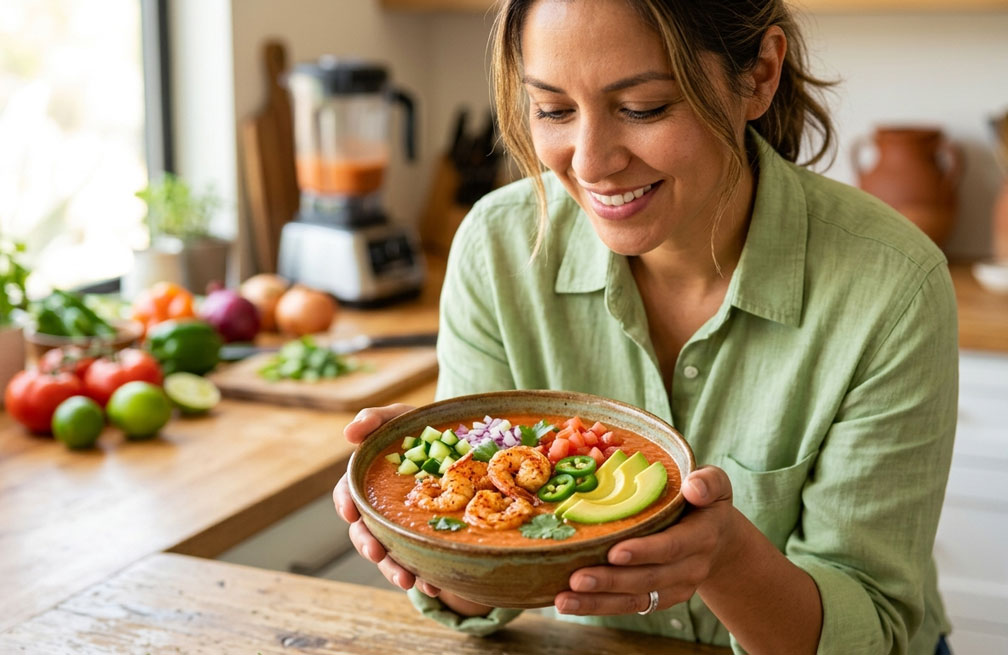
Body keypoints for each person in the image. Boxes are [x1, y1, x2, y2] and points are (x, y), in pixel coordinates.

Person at [332, 1, 958, 653]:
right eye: (554, 110)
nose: (592, 162)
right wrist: (433, 536)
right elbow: (484, 594)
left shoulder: (893, 284)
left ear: (759, 75)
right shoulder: (497, 249)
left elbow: (876, 630)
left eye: (644, 107)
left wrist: (726, 558)